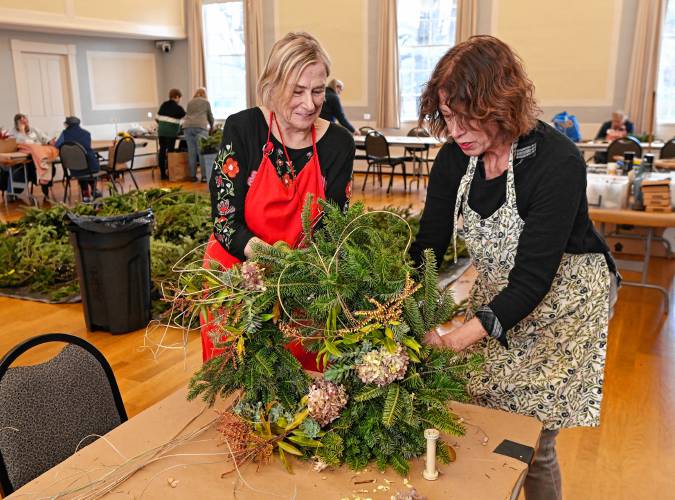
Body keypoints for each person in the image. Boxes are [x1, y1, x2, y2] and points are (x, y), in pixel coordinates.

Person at [409, 36, 618, 500]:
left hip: (564, 302)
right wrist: (400, 308)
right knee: (478, 416)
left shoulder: (557, 161)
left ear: (501, 103)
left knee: (532, 439)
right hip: (503, 289)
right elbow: (428, 247)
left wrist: (454, 339)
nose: (457, 129)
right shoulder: (453, 160)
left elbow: (533, 278)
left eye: (468, 115)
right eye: (447, 116)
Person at [202, 32, 355, 368]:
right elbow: (225, 220)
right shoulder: (243, 128)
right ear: (272, 85)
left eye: (317, 91)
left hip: (301, 286)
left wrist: (293, 276)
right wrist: (269, 261)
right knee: (236, 384)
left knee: (302, 390)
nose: (310, 103)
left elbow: (332, 229)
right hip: (235, 277)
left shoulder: (338, 144)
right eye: (296, 91)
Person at [10, 113, 57, 199]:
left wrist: (50, 141)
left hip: (38, 155)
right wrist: (22, 131)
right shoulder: (14, 133)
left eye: (26, 120)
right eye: (22, 121)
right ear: (17, 123)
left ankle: (45, 185)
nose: (25, 122)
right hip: (25, 158)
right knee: (24, 170)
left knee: (50, 164)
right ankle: (14, 192)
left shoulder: (34, 129)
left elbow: (44, 137)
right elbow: (23, 142)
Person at [54, 116, 100, 202]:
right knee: (88, 166)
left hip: (75, 168)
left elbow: (57, 145)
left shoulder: (65, 133)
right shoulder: (87, 133)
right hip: (91, 167)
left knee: (81, 169)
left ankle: (85, 194)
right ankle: (94, 189)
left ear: (67, 125)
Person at [183, 88, 214, 182]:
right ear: (204, 94)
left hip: (187, 127)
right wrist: (212, 126)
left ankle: (192, 176)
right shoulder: (206, 102)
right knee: (202, 152)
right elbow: (210, 116)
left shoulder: (190, 102)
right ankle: (204, 177)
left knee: (191, 152)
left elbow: (187, 115)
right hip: (201, 127)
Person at [156, 88, 186, 180]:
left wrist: (163, 125)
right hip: (171, 133)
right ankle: (171, 173)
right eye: (179, 98)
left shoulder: (163, 105)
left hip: (161, 132)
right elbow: (184, 121)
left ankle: (162, 174)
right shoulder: (179, 108)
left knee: (162, 151)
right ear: (176, 97)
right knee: (170, 153)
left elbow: (157, 118)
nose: (179, 100)